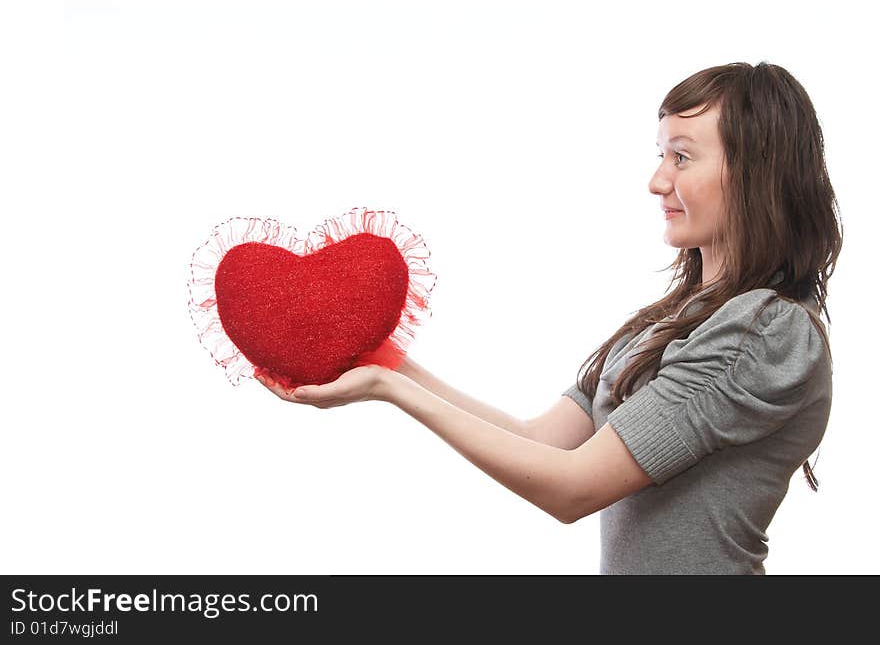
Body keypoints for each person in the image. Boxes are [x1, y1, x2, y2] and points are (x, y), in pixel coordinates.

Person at [255, 61, 842, 575]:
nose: (657, 179)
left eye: (682, 157)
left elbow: (572, 489)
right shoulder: (668, 323)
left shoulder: (765, 333)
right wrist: (390, 364)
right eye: (660, 154)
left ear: (756, 172)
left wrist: (387, 390)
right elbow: (543, 442)